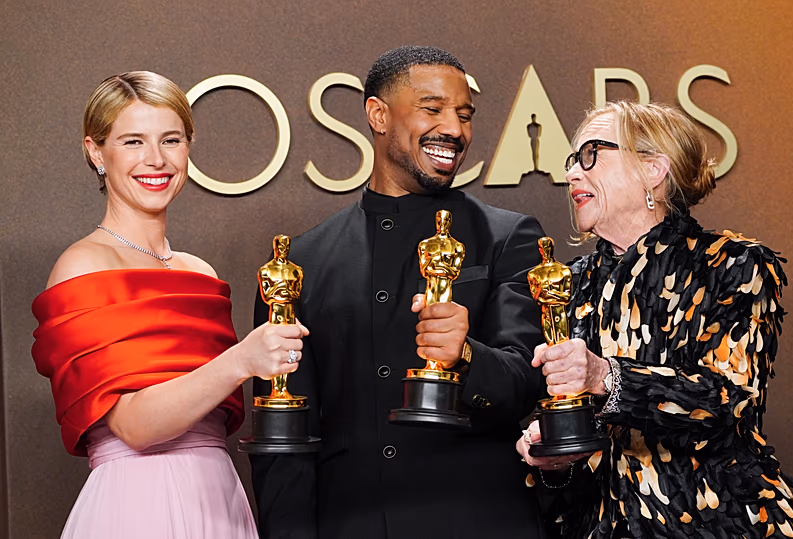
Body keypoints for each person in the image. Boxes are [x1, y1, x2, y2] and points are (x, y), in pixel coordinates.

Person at [251, 45, 547, 538]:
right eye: (432, 109)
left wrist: (467, 357)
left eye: (464, 114)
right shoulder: (298, 263)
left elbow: (530, 383)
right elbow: (287, 437)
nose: (454, 129)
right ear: (378, 115)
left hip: (480, 520)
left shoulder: (508, 237)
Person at [31, 71, 307, 539]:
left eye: (171, 139)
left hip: (220, 496)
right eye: (133, 141)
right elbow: (135, 426)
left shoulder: (198, 272)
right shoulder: (85, 264)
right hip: (139, 504)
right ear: (96, 152)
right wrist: (241, 360)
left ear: (188, 148)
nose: (155, 159)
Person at [516, 101, 793, 538]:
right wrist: (553, 461)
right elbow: (575, 443)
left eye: (591, 154)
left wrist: (605, 376)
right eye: (572, 160)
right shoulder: (566, 284)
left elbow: (727, 403)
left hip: (717, 525)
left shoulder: (732, 266)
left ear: (653, 169)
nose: (573, 173)